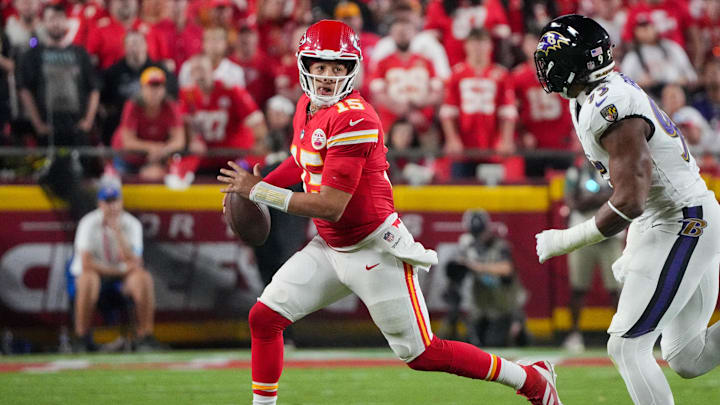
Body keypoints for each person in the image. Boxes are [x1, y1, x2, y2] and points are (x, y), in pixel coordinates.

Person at [217, 20, 561, 405]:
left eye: (337, 67)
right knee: (264, 318)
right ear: (305, 65)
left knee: (423, 354)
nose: (327, 76)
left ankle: (531, 379)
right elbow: (302, 162)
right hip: (332, 249)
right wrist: (257, 185)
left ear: (352, 69)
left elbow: (331, 206)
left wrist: (261, 192)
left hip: (374, 250)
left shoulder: (356, 118)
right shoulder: (307, 106)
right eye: (320, 66)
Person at [534, 14, 720, 405]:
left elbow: (631, 199)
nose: (546, 65)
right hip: (673, 217)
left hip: (684, 221)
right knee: (687, 357)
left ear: (576, 62)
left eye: (554, 55)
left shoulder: (611, 105)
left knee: (626, 345)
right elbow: (640, 195)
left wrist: (567, 239)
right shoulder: (592, 95)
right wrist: (636, 244)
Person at [70, 182, 162, 352]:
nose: (112, 206)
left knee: (143, 278)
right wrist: (120, 270)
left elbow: (135, 261)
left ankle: (145, 337)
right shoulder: (88, 223)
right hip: (97, 275)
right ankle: (81, 338)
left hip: (121, 279)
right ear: (100, 204)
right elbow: (86, 263)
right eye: (107, 201)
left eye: (115, 201)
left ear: (121, 202)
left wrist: (118, 233)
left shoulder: (131, 224)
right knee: (88, 279)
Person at [17, 3, 99, 147]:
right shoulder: (33, 55)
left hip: (77, 127)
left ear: (67, 22)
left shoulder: (80, 54)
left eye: (59, 18)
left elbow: (94, 89)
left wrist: (88, 122)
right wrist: (38, 124)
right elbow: (25, 90)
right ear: (44, 23)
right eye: (51, 19)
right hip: (47, 128)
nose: (56, 23)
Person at [439, 28, 517, 178]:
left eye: (482, 44)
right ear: (466, 46)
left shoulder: (501, 75)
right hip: (463, 146)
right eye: (474, 44)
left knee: (492, 193)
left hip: (493, 145)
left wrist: (506, 140)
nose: (478, 49)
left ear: (490, 46)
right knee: (461, 191)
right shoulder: (456, 74)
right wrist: (452, 139)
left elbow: (508, 111)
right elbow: (448, 111)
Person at [562, 158, 622, 353]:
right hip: (582, 235)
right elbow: (573, 202)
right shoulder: (576, 171)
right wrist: (602, 198)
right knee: (578, 287)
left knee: (617, 289)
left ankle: (623, 333)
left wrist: (590, 198)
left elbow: (621, 197)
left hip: (610, 235)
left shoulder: (613, 165)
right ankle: (574, 334)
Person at [446, 209, 530, 347]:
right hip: (480, 309)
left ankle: (518, 329)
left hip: (502, 308)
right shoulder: (467, 248)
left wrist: (476, 266)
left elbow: (506, 269)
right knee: (474, 346)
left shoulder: (500, 246)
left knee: (495, 343)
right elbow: (453, 274)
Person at [181, 54, 267, 172]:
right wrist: (193, 141)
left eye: (201, 70)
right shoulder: (187, 96)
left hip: (237, 156)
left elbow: (258, 125)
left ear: (212, 70)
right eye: (194, 71)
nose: (198, 75)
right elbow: (186, 126)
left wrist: (256, 148)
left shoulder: (231, 91)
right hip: (207, 158)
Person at [101, 30, 178, 145]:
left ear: (146, 46)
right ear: (124, 48)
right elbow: (104, 101)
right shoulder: (113, 72)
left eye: (138, 43)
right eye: (131, 44)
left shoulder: (159, 70)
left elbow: (172, 96)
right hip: (122, 125)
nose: (135, 47)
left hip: (156, 126)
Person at [111, 66, 185, 180]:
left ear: (164, 89)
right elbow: (127, 142)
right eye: (150, 87)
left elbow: (179, 140)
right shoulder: (132, 106)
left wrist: (162, 151)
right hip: (130, 157)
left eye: (158, 87)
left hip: (157, 158)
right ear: (142, 89)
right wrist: (152, 148)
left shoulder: (171, 106)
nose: (154, 92)